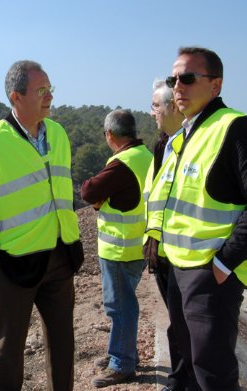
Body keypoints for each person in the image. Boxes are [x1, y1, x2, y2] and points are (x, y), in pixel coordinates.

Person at [147, 46, 247, 390]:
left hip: (210, 276)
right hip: (180, 269)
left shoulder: (234, 129)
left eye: (188, 78)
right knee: (191, 367)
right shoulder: (187, 135)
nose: (178, 86)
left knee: (213, 374)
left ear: (215, 85)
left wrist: (224, 263)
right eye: (173, 79)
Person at [0, 60, 84, 391]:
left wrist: (71, 245)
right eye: (41, 90)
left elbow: (62, 191)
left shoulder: (57, 133)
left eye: (50, 89)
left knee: (63, 343)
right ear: (16, 97)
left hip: (60, 258)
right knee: (8, 351)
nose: (49, 96)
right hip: (15, 263)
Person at [80, 109, 152, 388]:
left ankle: (122, 363)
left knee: (119, 307)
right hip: (139, 246)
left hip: (119, 248)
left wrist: (100, 201)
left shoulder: (123, 162)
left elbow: (88, 191)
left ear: (110, 135)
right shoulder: (148, 156)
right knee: (124, 303)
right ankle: (122, 352)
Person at [144, 79, 187, 391]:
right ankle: (180, 378)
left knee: (186, 324)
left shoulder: (184, 143)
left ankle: (183, 380)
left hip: (185, 252)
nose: (152, 112)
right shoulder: (164, 144)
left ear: (172, 107)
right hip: (162, 249)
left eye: (155, 105)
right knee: (178, 322)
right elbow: (157, 196)